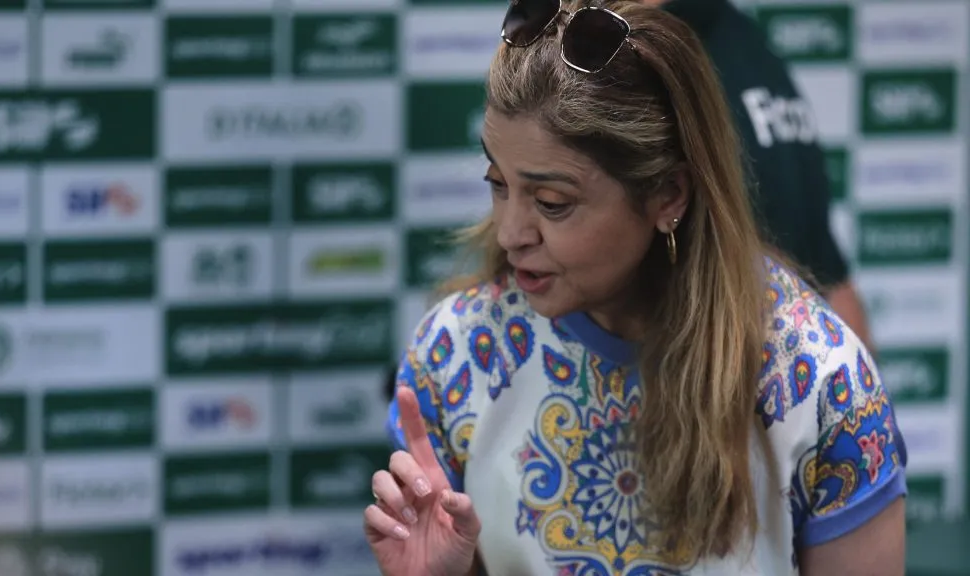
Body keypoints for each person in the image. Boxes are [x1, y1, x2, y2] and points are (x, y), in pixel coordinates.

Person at [367, 2, 907, 576]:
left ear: (669, 196)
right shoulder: (454, 356)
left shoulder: (819, 382)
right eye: (498, 184)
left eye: (553, 203)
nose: (510, 232)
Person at [655, 0, 875, 351]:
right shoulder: (746, 41)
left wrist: (860, 399)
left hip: (727, 379)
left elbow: (829, 276)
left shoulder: (645, 57)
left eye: (553, 203)